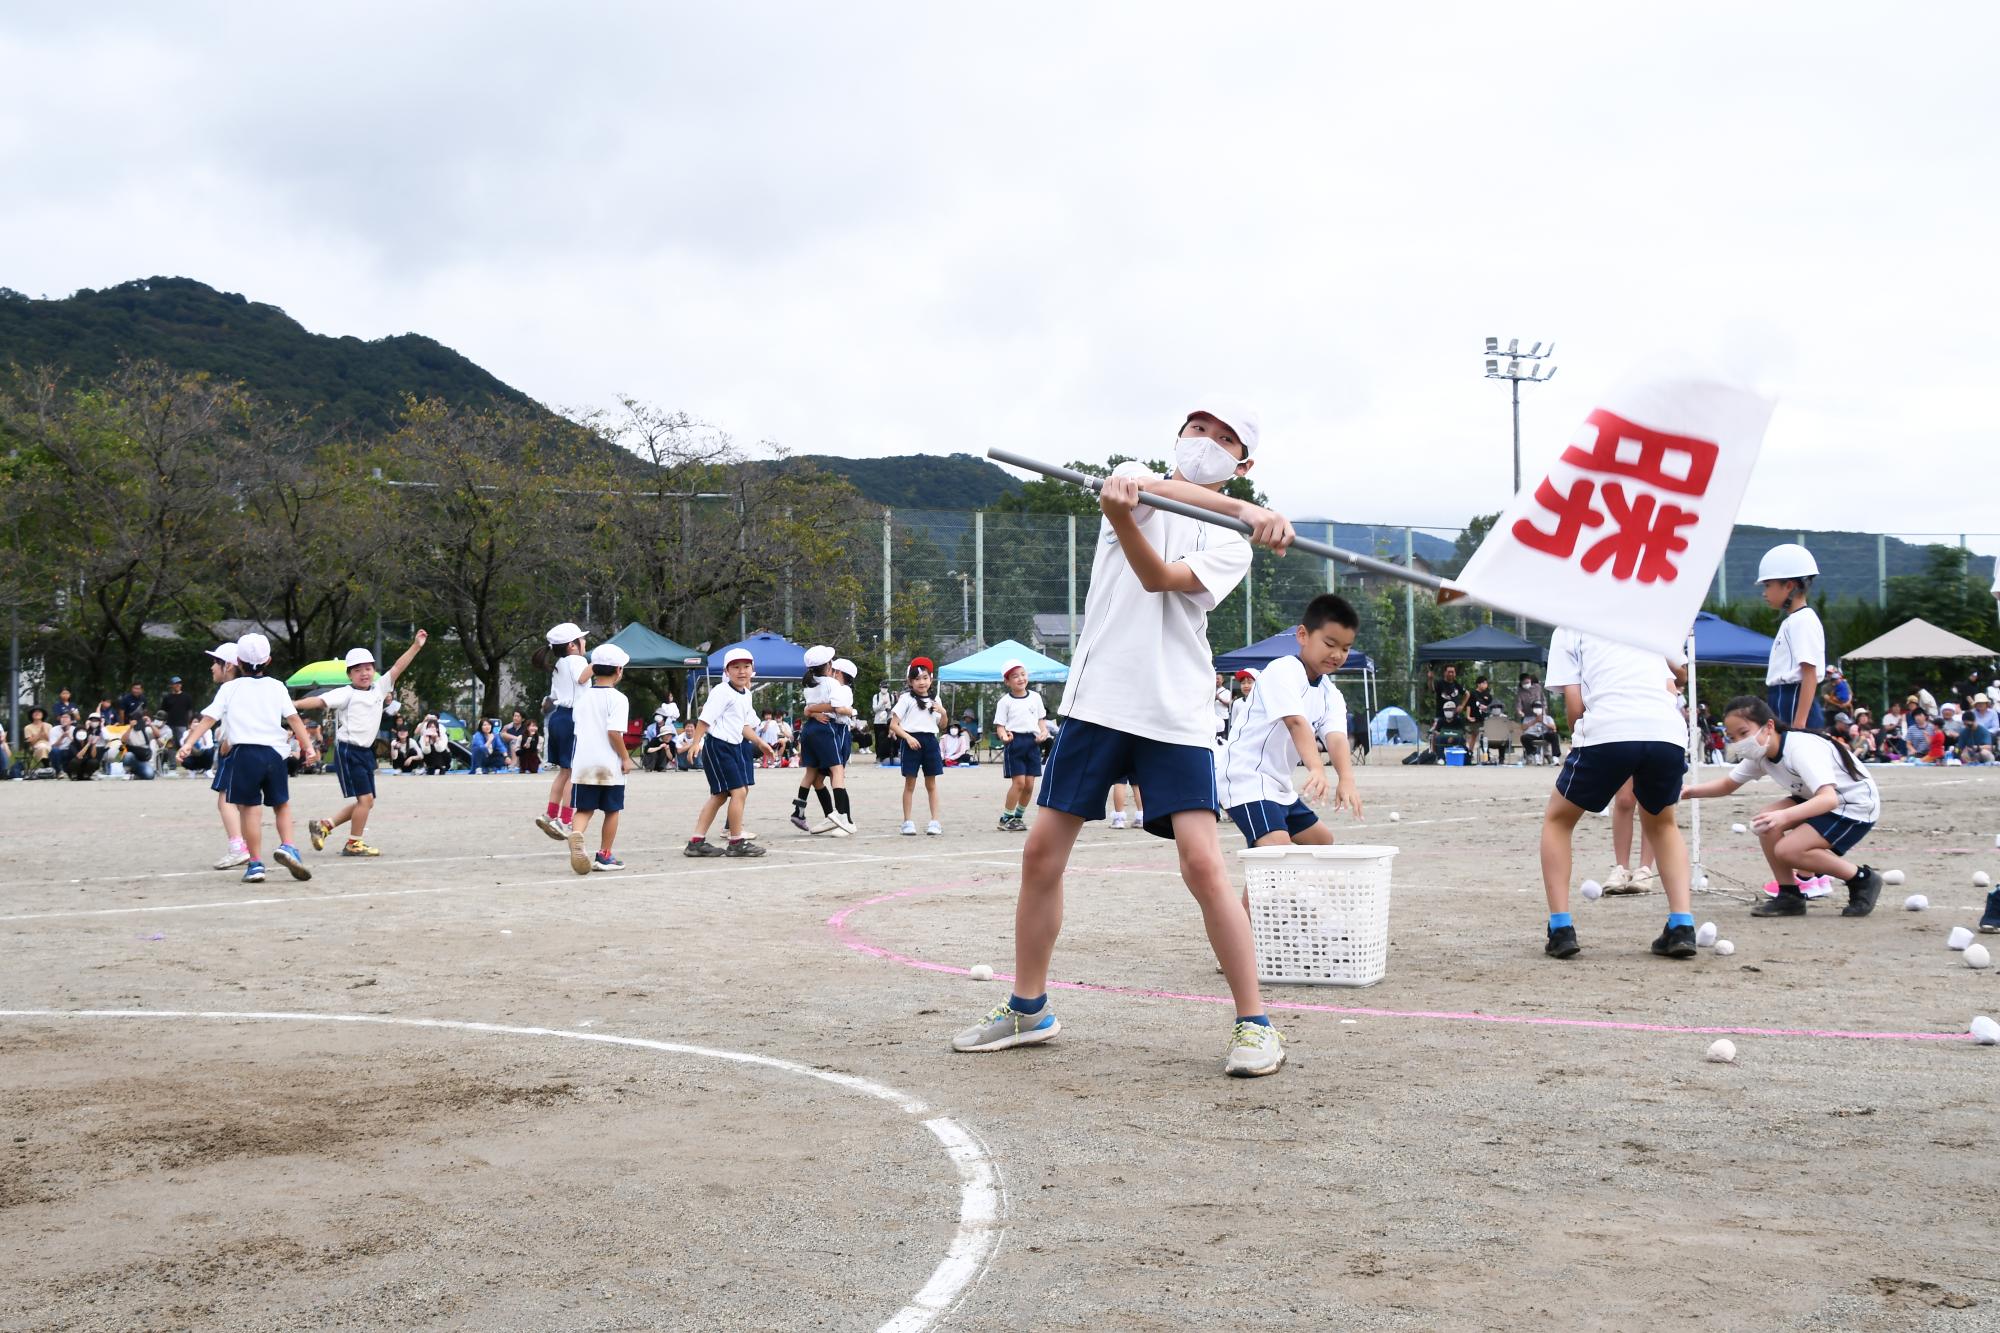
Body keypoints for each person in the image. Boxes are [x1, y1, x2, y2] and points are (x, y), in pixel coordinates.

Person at [950, 401, 1295, 1077]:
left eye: (1224, 439)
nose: (1206, 443)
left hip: (1175, 713)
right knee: (1041, 853)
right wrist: (1133, 511)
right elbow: (1158, 511)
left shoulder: (1229, 542)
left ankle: (1256, 1023)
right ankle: (1028, 1007)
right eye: (1199, 429)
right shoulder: (1135, 482)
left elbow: (1161, 580)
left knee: (1202, 864)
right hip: (1098, 700)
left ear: (1243, 464)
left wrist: (1244, 517)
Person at [1538, 626, 1697, 960]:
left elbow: (1574, 700)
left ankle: (1561, 929)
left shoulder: (1569, 625)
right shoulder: (1643, 612)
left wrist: (1579, 740)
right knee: (1663, 824)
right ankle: (1682, 925)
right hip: (1666, 731)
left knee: (1558, 820)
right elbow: (1677, 675)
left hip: (1608, 728)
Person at [1683, 696, 1883, 918]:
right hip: (1816, 798)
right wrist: (1688, 791)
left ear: (1768, 726)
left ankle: (1862, 879)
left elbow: (1828, 799)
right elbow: (1727, 785)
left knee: (1788, 850)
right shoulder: (1760, 753)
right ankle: (1789, 896)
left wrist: (1784, 816)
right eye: (1732, 737)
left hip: (1853, 803)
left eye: (1743, 733)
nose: (1739, 742)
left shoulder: (1799, 749)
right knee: (1765, 821)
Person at [1218, 594, 1362, 854]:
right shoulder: (1282, 670)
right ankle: (1268, 894)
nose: (1337, 654)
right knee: (1277, 850)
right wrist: (1316, 767)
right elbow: (1296, 723)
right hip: (1246, 778)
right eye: (1330, 643)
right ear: (1303, 635)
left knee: (1321, 842)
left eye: (1345, 648)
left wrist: (1346, 779)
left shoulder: (1331, 693)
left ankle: (1281, 895)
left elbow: (1337, 737)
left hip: (1278, 785)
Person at [176, 633, 318, 884]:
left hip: (244, 754)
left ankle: (255, 864)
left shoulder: (229, 689)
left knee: (250, 810)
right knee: (281, 804)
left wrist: (187, 744)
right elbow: (294, 718)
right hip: (274, 754)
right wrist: (308, 747)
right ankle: (288, 846)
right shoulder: (277, 686)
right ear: (269, 660)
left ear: (238, 661)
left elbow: (208, 719)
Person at [298, 635, 426, 858]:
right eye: (357, 670)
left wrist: (415, 646)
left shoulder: (379, 688)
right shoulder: (346, 693)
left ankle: (324, 826)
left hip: (366, 751)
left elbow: (398, 667)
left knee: (366, 802)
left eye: (368, 668)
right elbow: (319, 702)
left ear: (374, 671)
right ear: (349, 674)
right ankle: (353, 844)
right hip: (349, 750)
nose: (364, 673)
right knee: (365, 801)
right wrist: (293, 705)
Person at [685, 647, 776, 856]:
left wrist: (760, 743)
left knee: (719, 795)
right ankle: (736, 842)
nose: (742, 671)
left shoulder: (746, 694)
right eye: (736, 667)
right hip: (719, 746)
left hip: (734, 746)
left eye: (746, 666)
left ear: (753, 669)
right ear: (727, 671)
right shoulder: (721, 691)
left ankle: (696, 842)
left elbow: (743, 726)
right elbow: (704, 720)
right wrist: (695, 743)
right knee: (739, 791)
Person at [566, 643, 635, 874]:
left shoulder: (582, 697)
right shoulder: (619, 699)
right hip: (608, 765)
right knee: (612, 810)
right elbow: (614, 733)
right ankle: (604, 855)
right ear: (619, 670)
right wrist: (626, 758)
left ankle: (577, 837)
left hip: (584, 764)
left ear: (594, 668)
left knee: (584, 810)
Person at [532, 622, 591, 839]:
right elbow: (582, 678)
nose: (585, 642)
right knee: (574, 773)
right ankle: (565, 821)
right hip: (573, 719)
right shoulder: (577, 660)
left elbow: (553, 697)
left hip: (558, 717)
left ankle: (550, 814)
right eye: (581, 639)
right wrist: (597, 664)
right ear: (572, 646)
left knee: (564, 772)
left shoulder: (558, 664)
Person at [1758, 543, 1825, 730]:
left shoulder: (1803, 620)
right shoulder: (1793, 620)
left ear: (1789, 586)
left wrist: (1800, 724)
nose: (1764, 593)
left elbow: (1809, 673)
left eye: (1768, 585)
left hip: (1793, 698)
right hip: (1781, 697)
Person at [198, 642, 254, 869]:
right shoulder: (250, 687)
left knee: (225, 800)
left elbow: (216, 717)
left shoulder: (229, 689)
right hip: (253, 750)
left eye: (216, 662)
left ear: (229, 666)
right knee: (243, 802)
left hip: (233, 749)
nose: (212, 667)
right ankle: (249, 846)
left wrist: (228, 738)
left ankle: (237, 847)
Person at [792, 646, 856, 835]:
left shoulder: (809, 683)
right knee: (838, 771)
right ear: (828, 666)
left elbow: (807, 709)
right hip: (827, 729)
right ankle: (841, 815)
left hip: (810, 730)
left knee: (814, 775)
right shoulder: (831, 684)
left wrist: (813, 711)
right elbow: (837, 707)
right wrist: (818, 711)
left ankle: (802, 811)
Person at [891, 657, 948, 835]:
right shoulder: (906, 699)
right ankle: (907, 822)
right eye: (917, 679)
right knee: (910, 784)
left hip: (931, 742)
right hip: (911, 742)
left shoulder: (935, 699)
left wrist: (944, 712)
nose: (921, 682)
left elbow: (942, 725)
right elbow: (893, 725)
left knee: (931, 784)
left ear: (931, 679)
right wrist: (908, 738)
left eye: (925, 677)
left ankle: (935, 821)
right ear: (910, 681)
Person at [992, 661, 1049, 831]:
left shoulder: (1035, 697)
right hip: (1015, 743)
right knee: (1019, 783)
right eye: (1015, 676)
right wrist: (1004, 737)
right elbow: (1000, 726)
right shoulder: (1004, 702)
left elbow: (1041, 721)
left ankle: (1018, 817)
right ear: (1007, 681)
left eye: (1023, 674)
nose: (1020, 678)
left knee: (1030, 784)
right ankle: (1006, 818)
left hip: (1033, 743)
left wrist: (1043, 732)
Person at [122, 711, 158, 780]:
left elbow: (158, 735)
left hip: (143, 760)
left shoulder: (145, 730)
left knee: (150, 775)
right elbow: (123, 740)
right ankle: (127, 772)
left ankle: (136, 776)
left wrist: (151, 724)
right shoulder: (129, 730)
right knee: (128, 755)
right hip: (133, 759)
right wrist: (130, 727)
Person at [67, 715, 106, 780]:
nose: (81, 733)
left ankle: (87, 775)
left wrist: (93, 744)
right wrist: (88, 744)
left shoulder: (89, 741)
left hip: (86, 766)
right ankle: (74, 775)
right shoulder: (72, 744)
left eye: (83, 731)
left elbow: (93, 756)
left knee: (94, 761)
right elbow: (79, 756)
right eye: (79, 731)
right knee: (75, 761)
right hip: (75, 767)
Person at [160, 676, 196, 746]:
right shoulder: (167, 697)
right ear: (171, 685)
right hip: (169, 725)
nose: (178, 685)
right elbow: (163, 712)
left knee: (182, 744)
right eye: (176, 683)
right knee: (168, 745)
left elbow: (190, 711)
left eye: (179, 683)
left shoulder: (187, 697)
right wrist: (162, 723)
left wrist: (189, 723)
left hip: (182, 725)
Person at [871, 680, 897, 765]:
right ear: (880, 687)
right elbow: (875, 708)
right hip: (878, 720)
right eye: (883, 687)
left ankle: (888, 755)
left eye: (886, 687)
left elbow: (894, 706)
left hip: (888, 719)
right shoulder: (876, 696)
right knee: (879, 739)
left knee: (889, 737)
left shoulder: (890, 696)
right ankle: (878, 756)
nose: (884, 689)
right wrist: (882, 702)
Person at [23, 707, 51, 773]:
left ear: (43, 715)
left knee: (51, 748)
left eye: (39, 712)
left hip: (49, 745)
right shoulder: (28, 727)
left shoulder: (48, 726)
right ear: (32, 715)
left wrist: (44, 732)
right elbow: (30, 742)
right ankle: (47, 767)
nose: (37, 713)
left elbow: (51, 740)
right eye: (35, 712)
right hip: (35, 747)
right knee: (42, 747)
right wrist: (39, 734)